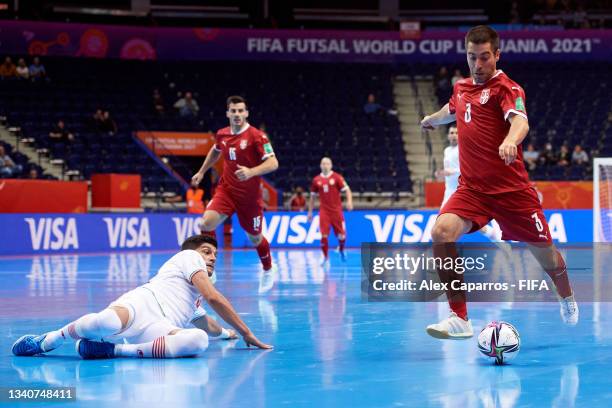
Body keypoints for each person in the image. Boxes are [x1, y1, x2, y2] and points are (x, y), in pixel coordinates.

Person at [420, 25, 578, 340]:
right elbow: (452, 110)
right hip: (473, 191)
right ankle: (460, 318)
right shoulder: (461, 87)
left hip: (512, 193)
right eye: (471, 57)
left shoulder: (509, 88)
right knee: (441, 231)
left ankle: (567, 294)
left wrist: (510, 140)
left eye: (484, 58)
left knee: (546, 255)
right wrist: (431, 120)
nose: (478, 65)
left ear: (497, 55)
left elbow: (520, 120)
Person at [12, 235, 272, 359]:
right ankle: (48, 340)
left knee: (198, 341)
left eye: (215, 254)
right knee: (104, 324)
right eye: (207, 251)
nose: (212, 256)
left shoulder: (192, 297)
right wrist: (247, 332)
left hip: (160, 327)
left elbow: (206, 323)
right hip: (141, 304)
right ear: (193, 253)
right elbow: (214, 298)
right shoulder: (188, 258)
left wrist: (227, 334)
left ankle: (113, 349)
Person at [192, 96, 279, 293]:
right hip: (227, 191)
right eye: (234, 111)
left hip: (249, 198)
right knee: (206, 223)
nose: (237, 114)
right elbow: (215, 152)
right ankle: (210, 268)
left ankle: (267, 269)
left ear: (246, 113)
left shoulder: (258, 136)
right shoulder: (222, 134)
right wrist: (202, 171)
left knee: (255, 238)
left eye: (241, 111)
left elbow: (273, 163)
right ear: (228, 113)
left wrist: (251, 172)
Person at [435, 125, 505, 244]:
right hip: (448, 192)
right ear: (448, 135)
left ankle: (496, 238)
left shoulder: (463, 149)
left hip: (462, 191)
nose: (454, 135)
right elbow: (449, 169)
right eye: (451, 133)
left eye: (456, 133)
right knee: (444, 224)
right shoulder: (446, 150)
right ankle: (495, 237)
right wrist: (440, 173)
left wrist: (451, 172)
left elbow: (469, 169)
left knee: (452, 224)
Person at [307, 157, 353, 265]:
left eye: (327, 164)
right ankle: (325, 257)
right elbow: (312, 197)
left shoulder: (337, 177)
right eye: (323, 164)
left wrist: (349, 202)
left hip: (336, 211)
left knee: (341, 235)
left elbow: (347, 190)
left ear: (331, 165)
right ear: (320, 165)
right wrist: (310, 212)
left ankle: (341, 249)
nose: (325, 166)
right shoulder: (316, 180)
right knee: (323, 235)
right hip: (324, 212)